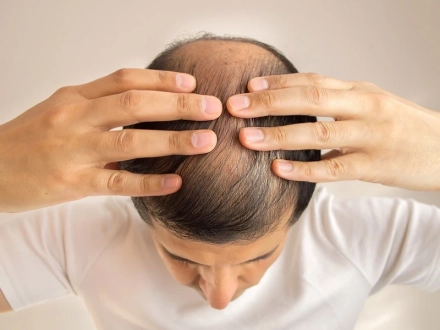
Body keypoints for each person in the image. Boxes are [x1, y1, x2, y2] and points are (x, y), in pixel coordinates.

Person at [0, 34, 439, 330]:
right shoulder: (80, 237)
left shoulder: (364, 237)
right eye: (179, 256)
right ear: (135, 203)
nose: (219, 299)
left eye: (262, 254)